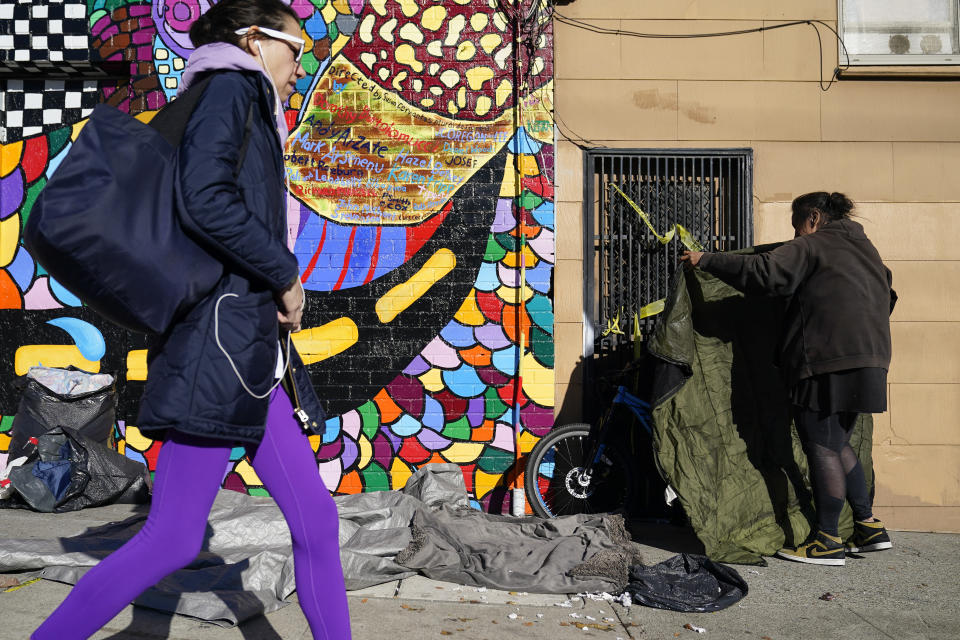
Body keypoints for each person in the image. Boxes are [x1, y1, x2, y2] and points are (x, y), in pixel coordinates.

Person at [32, 1, 351, 637]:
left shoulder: (242, 98)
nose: (301, 65)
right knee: (174, 539)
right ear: (256, 40)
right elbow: (204, 199)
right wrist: (283, 273)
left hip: (248, 353)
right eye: (298, 46)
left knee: (316, 520)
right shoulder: (232, 88)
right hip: (219, 353)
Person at [680, 191, 895, 567]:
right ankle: (868, 526)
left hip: (826, 358)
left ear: (812, 217)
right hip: (871, 360)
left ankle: (827, 540)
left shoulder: (815, 245)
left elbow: (766, 272)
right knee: (839, 441)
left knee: (821, 446)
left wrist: (706, 259)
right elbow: (888, 296)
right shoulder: (867, 250)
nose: (795, 235)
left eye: (797, 226)